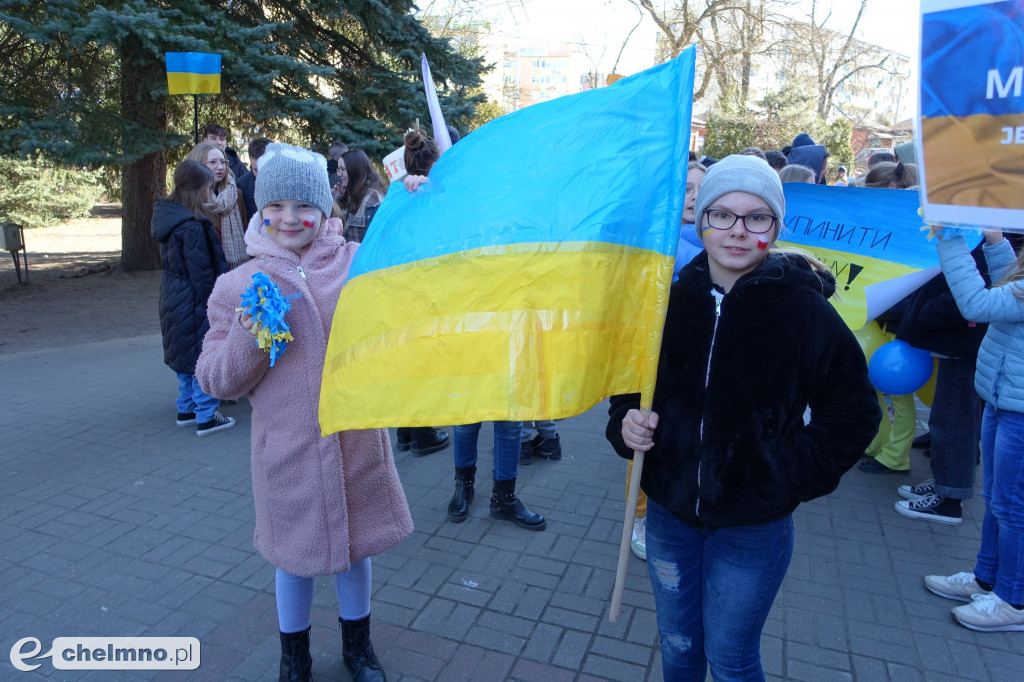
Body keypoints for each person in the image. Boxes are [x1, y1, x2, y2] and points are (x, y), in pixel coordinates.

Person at [606, 154, 880, 680]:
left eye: (756, 218)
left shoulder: (803, 311)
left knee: (730, 659)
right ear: (701, 220)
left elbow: (853, 410)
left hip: (753, 526)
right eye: (722, 215)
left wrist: (786, 474)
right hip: (668, 513)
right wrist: (626, 422)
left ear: (774, 227)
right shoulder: (666, 301)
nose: (736, 231)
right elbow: (629, 386)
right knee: (680, 646)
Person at [196, 143, 412, 682]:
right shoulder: (237, 286)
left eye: (304, 206)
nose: (290, 218)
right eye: (277, 206)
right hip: (287, 451)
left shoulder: (358, 263)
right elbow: (215, 378)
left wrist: (414, 204)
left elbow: (414, 272)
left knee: (357, 552)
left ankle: (358, 647)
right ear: (260, 210)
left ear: (327, 208)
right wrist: (250, 336)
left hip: (355, 441)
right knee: (292, 560)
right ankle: (295, 656)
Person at [921, 225, 1024, 632]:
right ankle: (987, 579)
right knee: (998, 499)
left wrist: (949, 239)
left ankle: (1013, 600)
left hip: (1017, 408)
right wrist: (996, 242)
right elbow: (1010, 286)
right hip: (1006, 399)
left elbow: (978, 304)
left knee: (1012, 507)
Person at [151, 160, 234, 437]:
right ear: (198, 189)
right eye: (210, 188)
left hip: (174, 297)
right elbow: (202, 273)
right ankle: (206, 415)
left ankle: (186, 408)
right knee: (202, 356)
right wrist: (216, 302)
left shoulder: (171, 222)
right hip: (194, 301)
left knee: (185, 356)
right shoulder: (193, 226)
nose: (212, 193)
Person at [187, 141, 249, 270]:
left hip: (235, 271)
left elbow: (245, 229)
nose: (220, 167)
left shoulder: (236, 195)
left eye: (223, 162)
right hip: (203, 271)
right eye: (213, 162)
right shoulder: (189, 199)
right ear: (198, 164)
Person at [339, 149, 387, 243]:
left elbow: (375, 241)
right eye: (338, 169)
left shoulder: (373, 199)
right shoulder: (350, 195)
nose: (339, 174)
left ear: (354, 170)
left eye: (342, 169)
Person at [235, 137, 272, 221]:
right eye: (256, 169)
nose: (260, 175)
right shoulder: (241, 185)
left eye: (264, 168)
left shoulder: (286, 181)